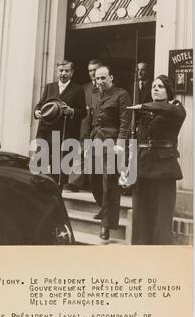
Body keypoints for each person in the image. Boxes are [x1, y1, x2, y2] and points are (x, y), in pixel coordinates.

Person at [127, 74, 186, 245]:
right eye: (153, 86)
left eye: (160, 86)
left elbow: (168, 109)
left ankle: (161, 261)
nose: (155, 89)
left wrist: (142, 105)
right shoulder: (144, 112)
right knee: (140, 219)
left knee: (161, 222)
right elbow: (135, 141)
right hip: (142, 169)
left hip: (164, 170)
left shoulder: (176, 109)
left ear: (168, 91)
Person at [88, 65, 131, 240]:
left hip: (112, 142)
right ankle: (105, 207)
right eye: (97, 78)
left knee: (109, 183)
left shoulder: (122, 95)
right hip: (96, 141)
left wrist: (120, 144)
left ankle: (106, 225)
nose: (100, 82)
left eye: (103, 78)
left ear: (111, 78)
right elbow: (91, 120)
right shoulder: (95, 95)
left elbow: (125, 122)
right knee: (93, 178)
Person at [34, 60, 86, 187]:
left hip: (64, 133)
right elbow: (40, 105)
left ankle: (57, 195)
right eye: (61, 71)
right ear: (57, 72)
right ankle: (40, 193)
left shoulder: (78, 89)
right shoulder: (49, 87)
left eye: (67, 71)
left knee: (59, 168)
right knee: (40, 163)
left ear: (72, 73)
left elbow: (83, 112)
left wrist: (71, 111)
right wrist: (36, 112)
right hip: (46, 132)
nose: (63, 73)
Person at [65, 58, 102, 192]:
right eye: (90, 70)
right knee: (80, 152)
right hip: (85, 125)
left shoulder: (107, 86)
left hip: (100, 125)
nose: (92, 73)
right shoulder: (84, 88)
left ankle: (96, 186)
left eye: (95, 70)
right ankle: (74, 183)